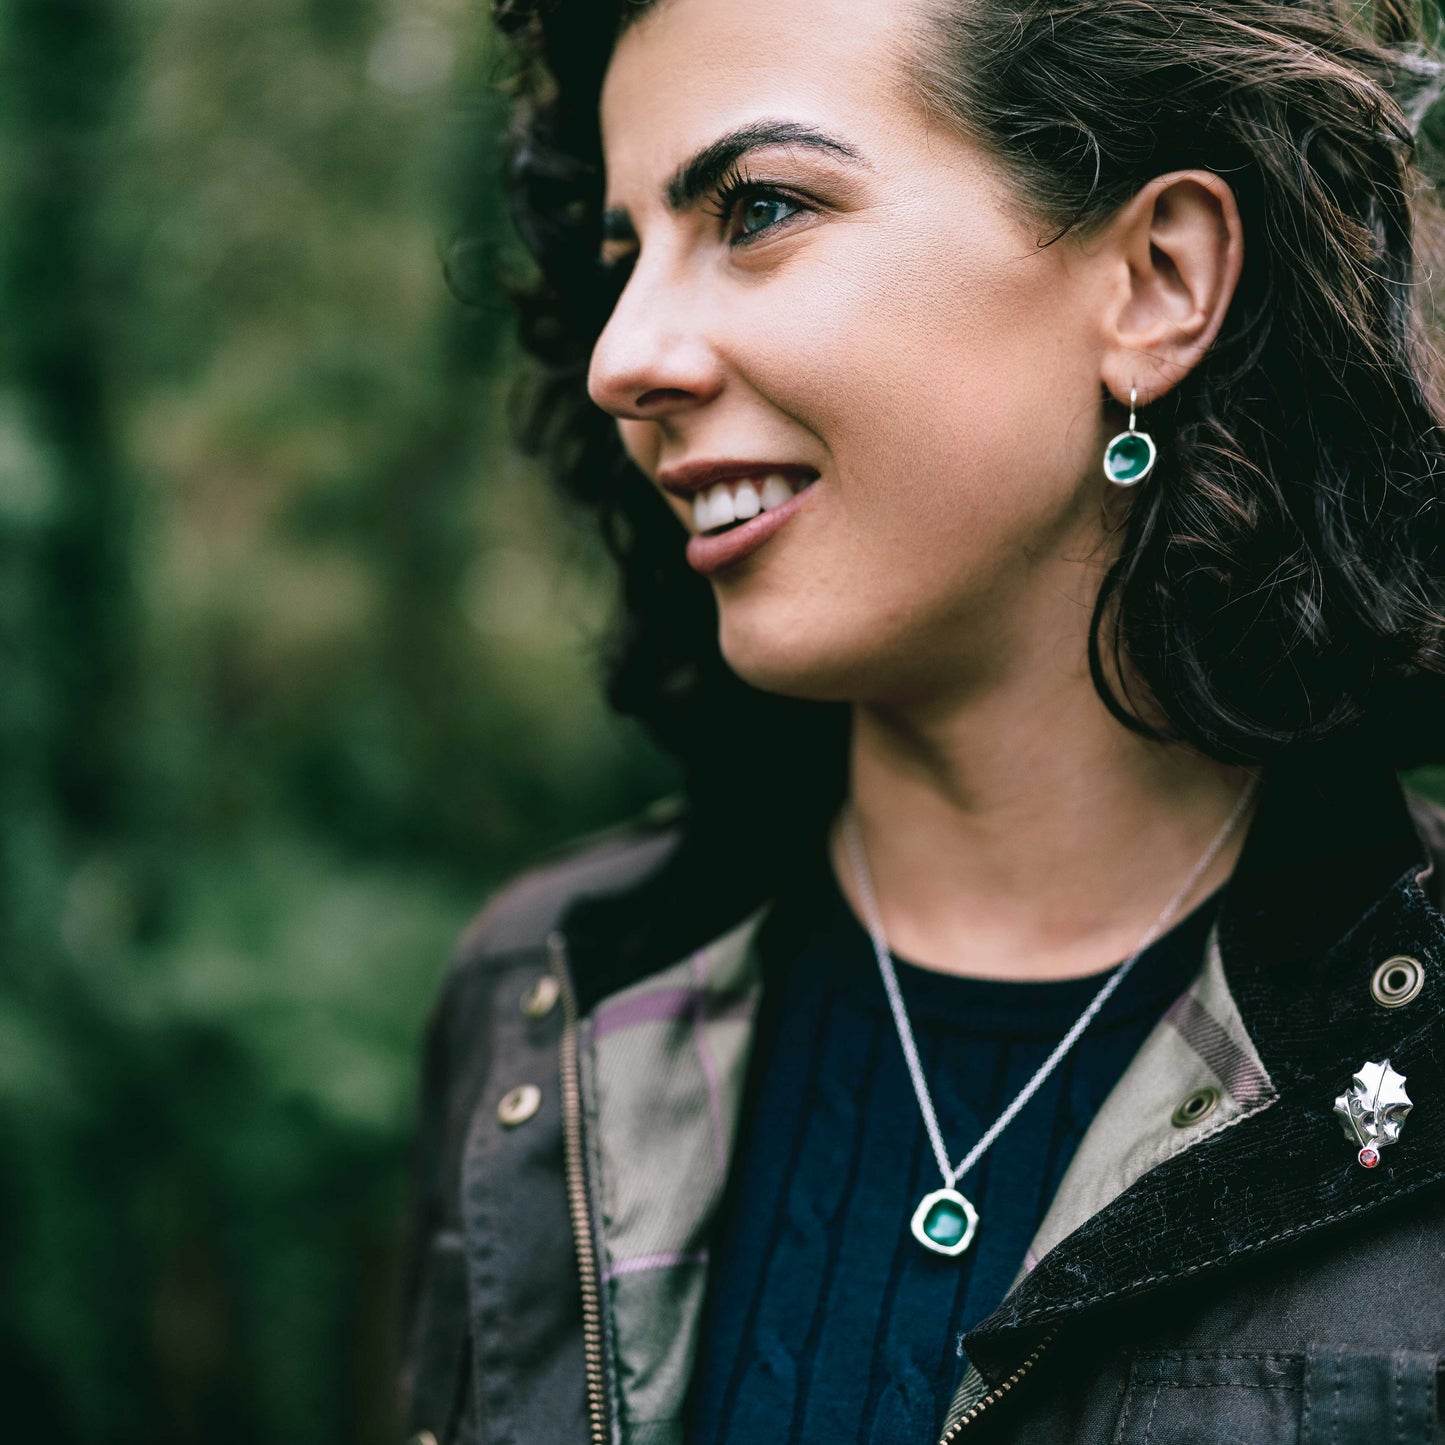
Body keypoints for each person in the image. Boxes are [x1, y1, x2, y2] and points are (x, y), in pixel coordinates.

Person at [399, 0, 1445, 1441]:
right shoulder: (546, 1008)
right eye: (620, 257)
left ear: (1154, 279)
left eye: (757, 209)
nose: (622, 357)